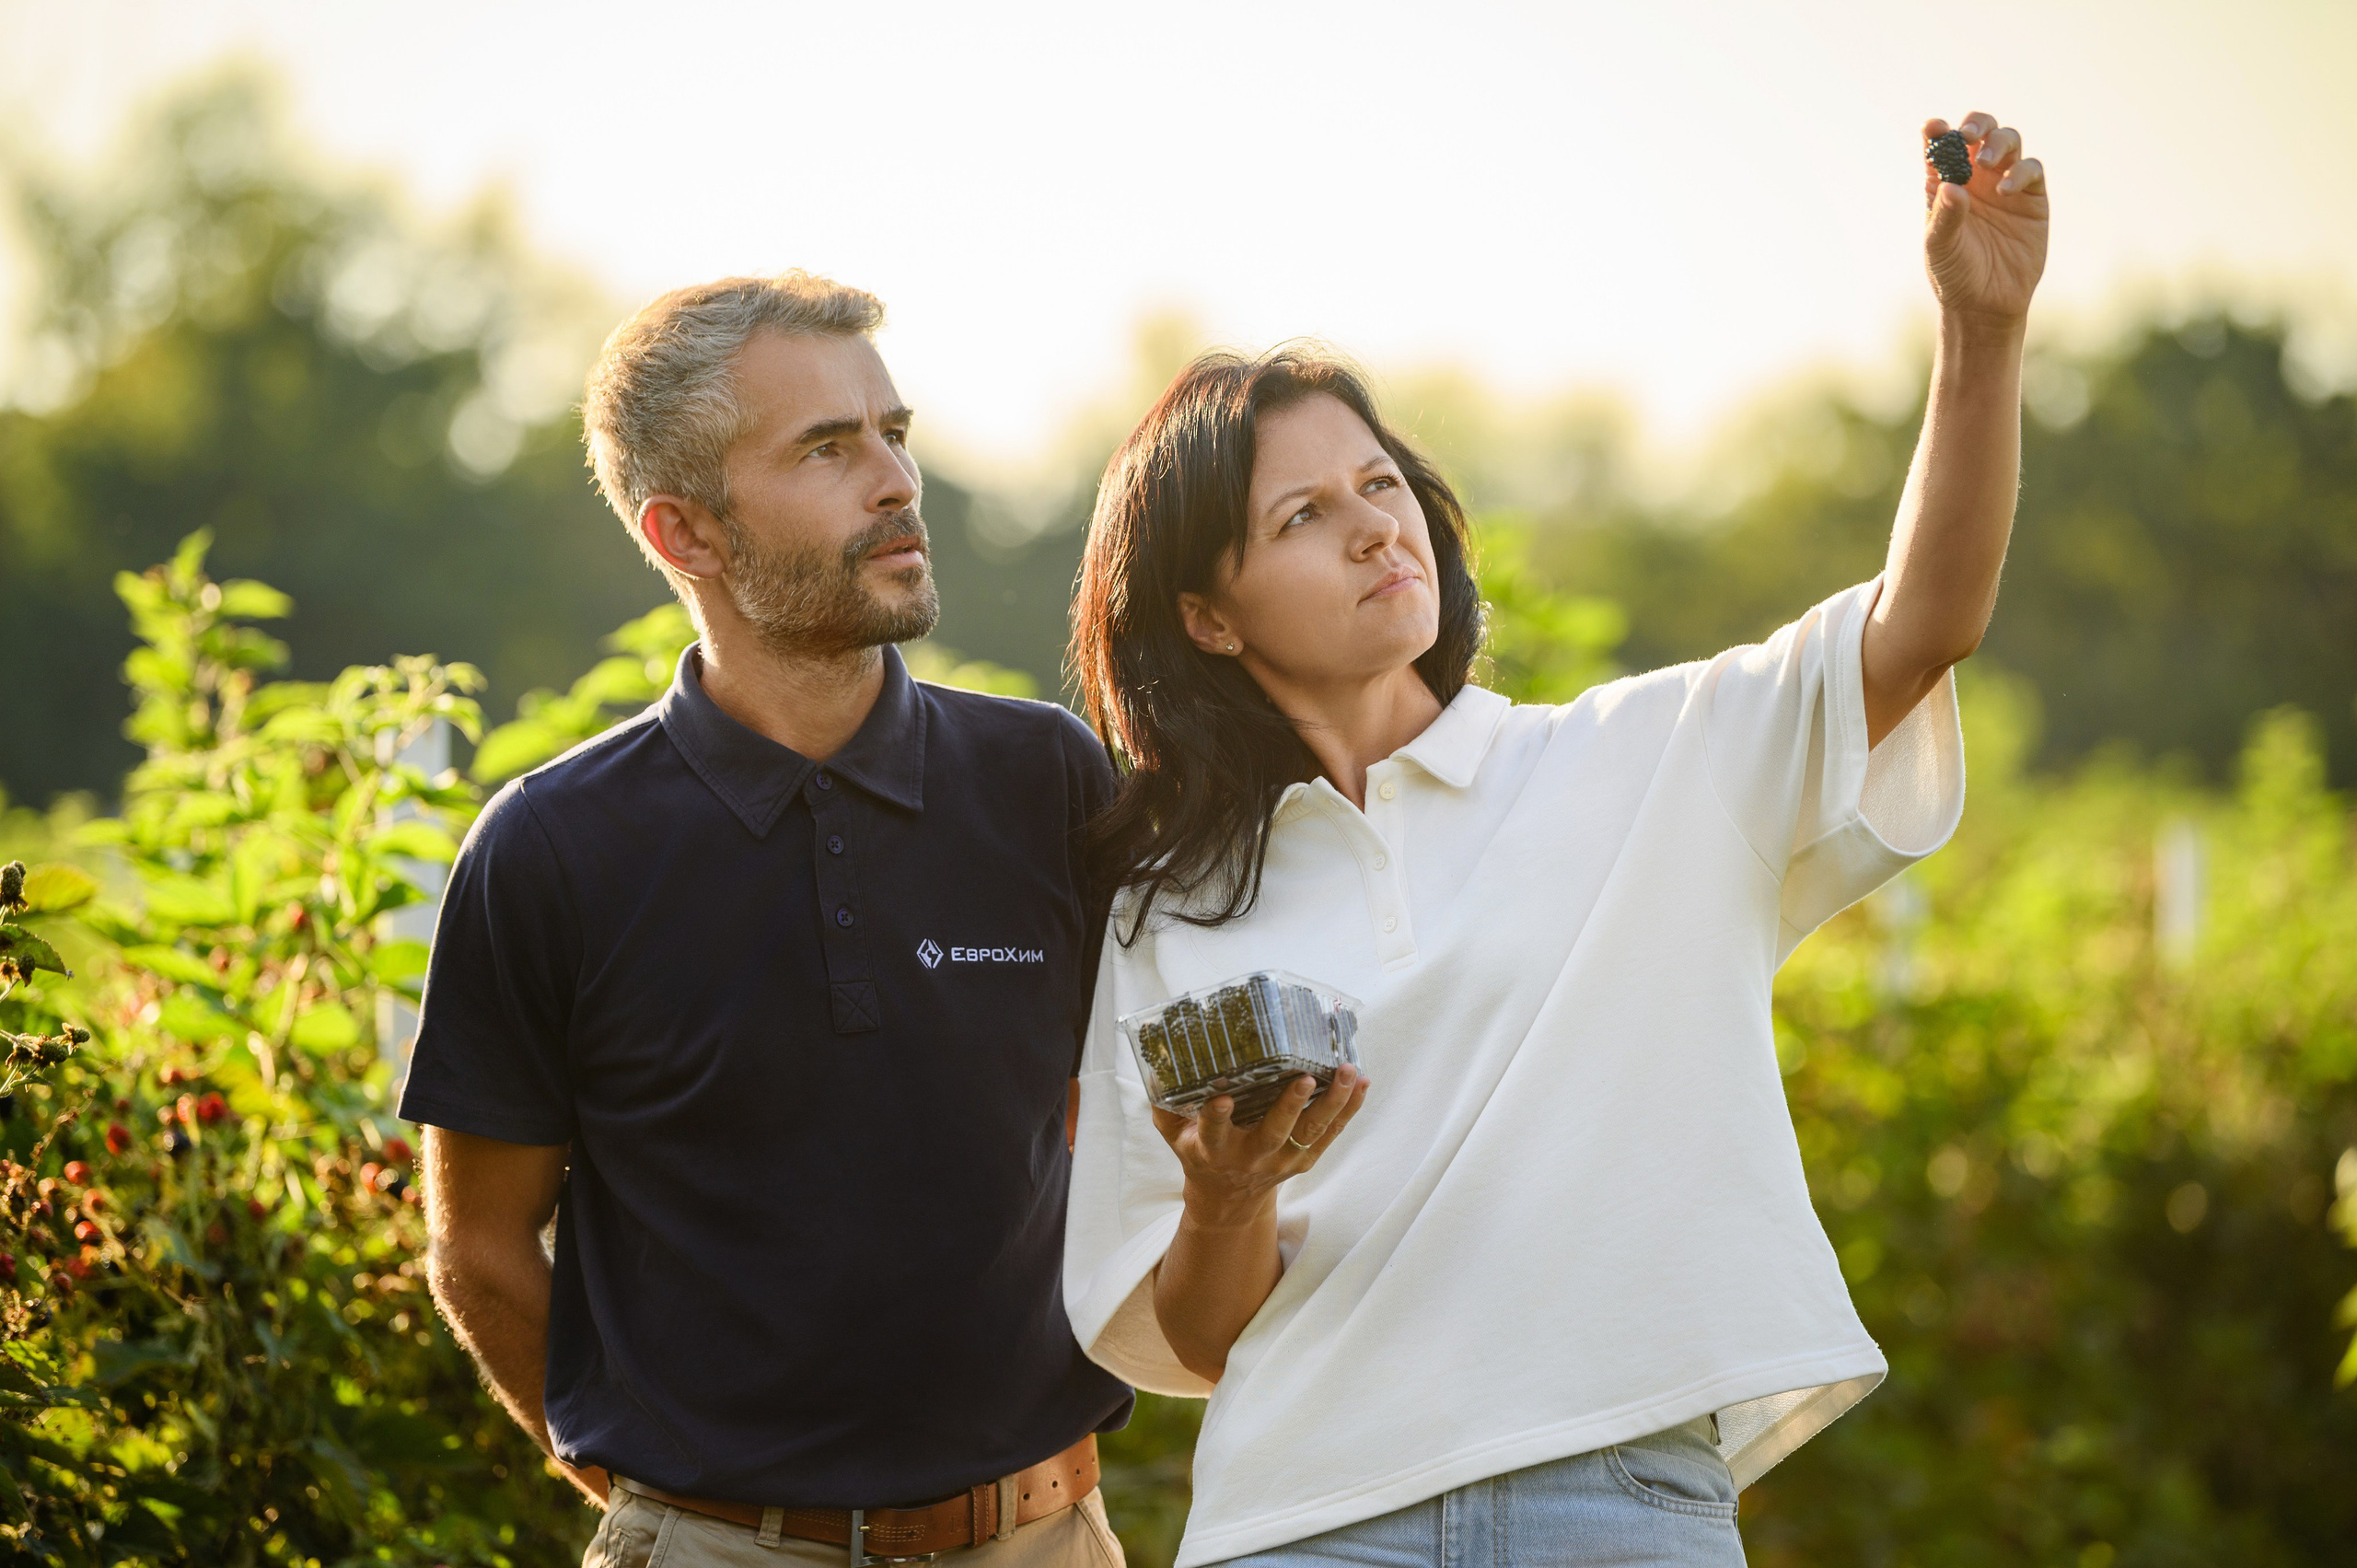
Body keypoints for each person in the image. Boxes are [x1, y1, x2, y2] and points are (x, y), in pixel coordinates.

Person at [1062, 111, 2046, 1567]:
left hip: (1620, 1507)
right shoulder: (1170, 912)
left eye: (1383, 486)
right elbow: (1198, 1338)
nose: (1374, 531)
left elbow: (1925, 625)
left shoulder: (1649, 757)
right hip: (1303, 1525)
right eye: (1304, 517)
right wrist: (1229, 1195)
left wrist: (1982, 330)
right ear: (1208, 616)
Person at [402, 272, 1132, 1568]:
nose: (898, 482)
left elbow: (1095, 1124)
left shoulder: (1047, 781)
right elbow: (481, 1245)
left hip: (1046, 1538)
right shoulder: (553, 850)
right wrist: (666, 1514)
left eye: (894, 434)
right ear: (687, 534)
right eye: (828, 449)